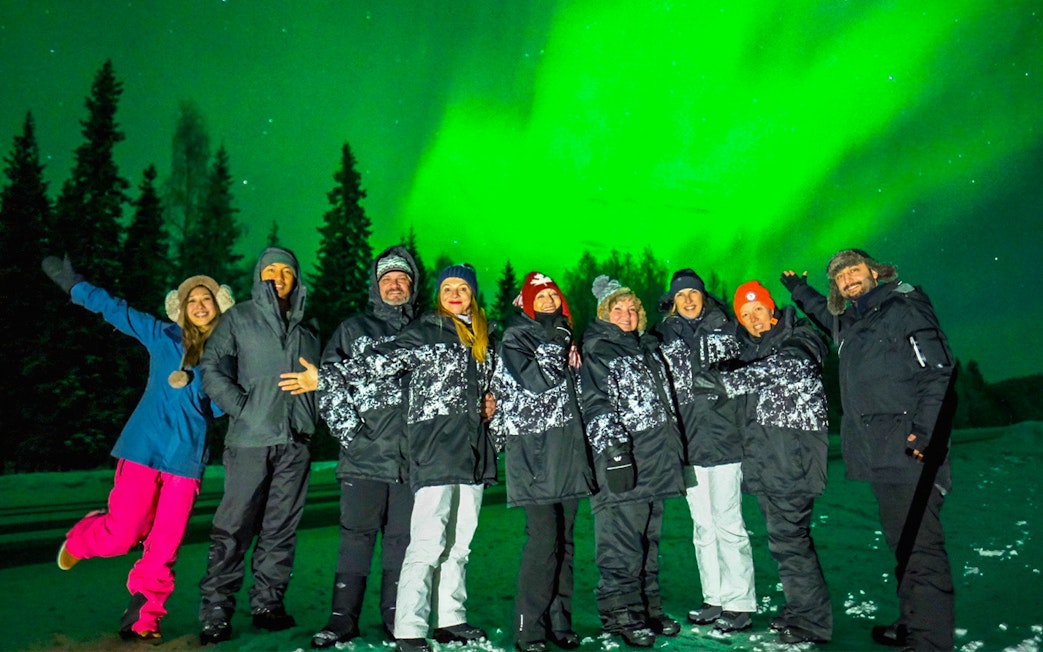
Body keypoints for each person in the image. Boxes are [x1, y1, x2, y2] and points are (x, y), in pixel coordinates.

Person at [42, 255, 233, 643]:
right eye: (192, 299)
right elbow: (116, 310)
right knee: (122, 535)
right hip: (143, 449)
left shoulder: (226, 356)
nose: (199, 305)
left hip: (186, 460)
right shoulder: (161, 335)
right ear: (181, 307)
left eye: (207, 299)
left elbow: (221, 406)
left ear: (219, 306)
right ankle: (83, 537)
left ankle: (144, 617)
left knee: (163, 547)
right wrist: (75, 285)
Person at [782, 249, 956, 651]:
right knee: (905, 547)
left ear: (875, 272)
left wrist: (923, 436)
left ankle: (930, 642)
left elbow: (939, 373)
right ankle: (915, 623)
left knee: (920, 549)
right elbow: (823, 315)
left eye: (853, 269)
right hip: (883, 455)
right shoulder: (855, 322)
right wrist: (798, 289)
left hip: (911, 452)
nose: (846, 278)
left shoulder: (903, 307)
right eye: (839, 276)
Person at [341, 263, 497, 652]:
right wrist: (323, 380)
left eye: (463, 287)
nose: (455, 294)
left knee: (460, 542)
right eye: (448, 288)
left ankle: (451, 618)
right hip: (434, 451)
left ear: (473, 294)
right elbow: (371, 366)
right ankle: (409, 627)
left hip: (474, 452)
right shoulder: (426, 331)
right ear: (438, 296)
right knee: (427, 542)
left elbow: (496, 388)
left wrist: (492, 403)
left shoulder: (483, 338)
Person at [196, 246, 320, 645]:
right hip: (251, 440)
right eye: (271, 270)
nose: (279, 276)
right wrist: (240, 407)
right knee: (233, 528)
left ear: (296, 278)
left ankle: (268, 603)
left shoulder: (309, 327)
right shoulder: (239, 318)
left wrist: (311, 417)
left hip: (295, 442)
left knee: (280, 530)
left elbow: (321, 379)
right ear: (259, 275)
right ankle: (216, 609)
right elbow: (211, 366)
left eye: (287, 270)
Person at [698, 280, 832, 645]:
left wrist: (725, 382)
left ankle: (813, 622)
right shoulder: (751, 350)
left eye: (758, 309)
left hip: (794, 459)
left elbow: (788, 367)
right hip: (766, 461)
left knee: (792, 541)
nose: (754, 318)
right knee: (783, 542)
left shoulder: (800, 336)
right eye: (745, 313)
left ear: (771, 308)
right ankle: (801, 608)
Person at [309, 246, 420, 648]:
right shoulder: (354, 329)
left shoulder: (424, 330)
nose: (395, 285)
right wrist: (351, 435)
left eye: (402, 279)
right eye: (387, 279)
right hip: (363, 459)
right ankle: (341, 620)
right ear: (376, 286)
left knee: (401, 541)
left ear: (412, 285)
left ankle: (395, 617)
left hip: (411, 463)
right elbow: (330, 383)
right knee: (356, 537)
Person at [489, 271, 595, 652]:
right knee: (543, 544)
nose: (549, 301)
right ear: (528, 303)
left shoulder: (566, 337)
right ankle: (528, 628)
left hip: (567, 453)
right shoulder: (517, 337)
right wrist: (561, 340)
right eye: (541, 296)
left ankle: (559, 621)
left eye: (553, 295)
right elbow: (539, 379)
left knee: (565, 543)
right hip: (534, 456)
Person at [578, 275, 685, 648]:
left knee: (648, 540)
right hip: (622, 461)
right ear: (604, 314)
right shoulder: (598, 350)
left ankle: (648, 608)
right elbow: (595, 403)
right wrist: (615, 452)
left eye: (632, 308)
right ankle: (620, 615)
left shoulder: (646, 348)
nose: (626, 314)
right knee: (621, 542)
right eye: (617, 309)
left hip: (656, 459)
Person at [651, 269, 757, 633]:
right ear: (673, 301)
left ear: (703, 296)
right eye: (681, 296)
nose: (688, 300)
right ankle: (714, 597)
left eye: (693, 293)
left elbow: (752, 369)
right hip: (687, 445)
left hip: (726, 442)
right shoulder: (662, 336)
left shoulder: (728, 328)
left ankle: (739, 602)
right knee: (703, 526)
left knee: (729, 523)